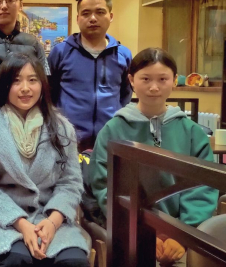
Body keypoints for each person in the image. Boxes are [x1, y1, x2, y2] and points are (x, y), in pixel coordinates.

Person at [89, 48, 218, 267]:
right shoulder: (113, 129)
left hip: (183, 236)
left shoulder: (191, 132)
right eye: (146, 79)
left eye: (162, 79)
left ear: (174, 80)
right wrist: (141, 232)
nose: (154, 87)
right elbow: (103, 184)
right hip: (129, 231)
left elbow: (204, 186)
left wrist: (183, 234)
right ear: (131, 80)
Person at [0, 53, 89, 267]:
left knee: (73, 261)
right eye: (16, 81)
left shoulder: (61, 128)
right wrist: (22, 224)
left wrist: (52, 222)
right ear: (5, 86)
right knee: (15, 259)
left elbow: (70, 183)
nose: (25, 88)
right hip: (1, 220)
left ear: (42, 85)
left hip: (49, 215)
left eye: (32, 80)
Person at [48, 0, 132, 152]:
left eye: (100, 12)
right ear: (78, 18)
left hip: (110, 141)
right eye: (86, 13)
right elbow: (49, 93)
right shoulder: (60, 52)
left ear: (111, 16)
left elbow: (125, 94)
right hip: (68, 141)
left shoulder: (123, 54)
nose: (93, 18)